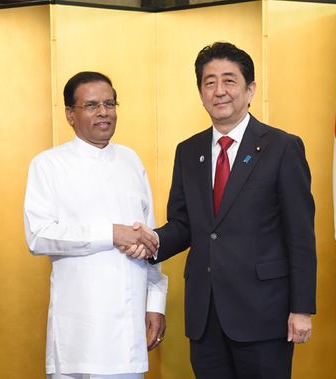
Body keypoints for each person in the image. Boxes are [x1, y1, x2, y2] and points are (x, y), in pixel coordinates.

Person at [132, 42, 317, 378]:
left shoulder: (282, 147)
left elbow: (300, 234)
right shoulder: (188, 151)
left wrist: (301, 309)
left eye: (229, 81)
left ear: (250, 89)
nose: (219, 91)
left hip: (264, 313)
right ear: (201, 92)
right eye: (209, 82)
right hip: (205, 315)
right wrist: (153, 240)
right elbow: (185, 223)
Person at [24, 71, 167, 379]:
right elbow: (38, 236)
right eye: (91, 105)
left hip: (129, 335)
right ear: (70, 115)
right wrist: (110, 233)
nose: (104, 112)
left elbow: (151, 240)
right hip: (80, 336)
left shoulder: (131, 161)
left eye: (109, 103)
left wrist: (156, 302)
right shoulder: (48, 165)